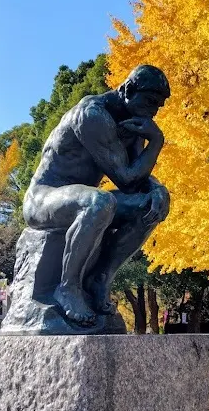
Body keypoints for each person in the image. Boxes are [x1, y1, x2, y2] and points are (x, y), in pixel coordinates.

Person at [23, 64, 171, 326]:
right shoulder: (92, 114)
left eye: (158, 106)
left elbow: (137, 178)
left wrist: (158, 189)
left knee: (150, 205)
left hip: (83, 198)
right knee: (100, 201)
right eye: (149, 102)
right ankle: (67, 287)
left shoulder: (133, 124)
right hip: (44, 197)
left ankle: (99, 279)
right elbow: (126, 179)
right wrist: (156, 142)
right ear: (127, 89)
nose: (153, 112)